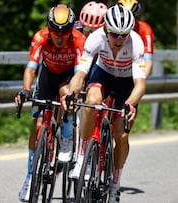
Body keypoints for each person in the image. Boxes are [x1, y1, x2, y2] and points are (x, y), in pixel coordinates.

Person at [63, 4, 146, 202]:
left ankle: (115, 183)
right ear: (106, 30)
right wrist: (71, 94)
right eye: (115, 34)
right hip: (105, 74)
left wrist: (131, 103)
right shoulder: (95, 38)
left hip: (127, 82)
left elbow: (140, 84)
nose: (119, 39)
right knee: (91, 102)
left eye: (123, 35)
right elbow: (81, 74)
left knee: (122, 134)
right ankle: (82, 156)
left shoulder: (136, 43)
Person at [14, 4, 86, 202]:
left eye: (65, 32)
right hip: (46, 77)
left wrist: (73, 95)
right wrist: (25, 90)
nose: (60, 36)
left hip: (68, 77)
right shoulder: (40, 37)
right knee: (37, 125)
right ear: (49, 28)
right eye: (55, 31)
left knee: (66, 97)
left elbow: (80, 72)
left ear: (72, 29)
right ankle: (29, 179)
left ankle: (66, 138)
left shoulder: (79, 39)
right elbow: (31, 68)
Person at [118, 0, 154, 77]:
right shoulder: (112, 28)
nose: (128, 22)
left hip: (134, 67)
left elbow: (148, 60)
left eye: (132, 18)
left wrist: (142, 80)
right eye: (124, 18)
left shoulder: (145, 29)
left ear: (138, 17)